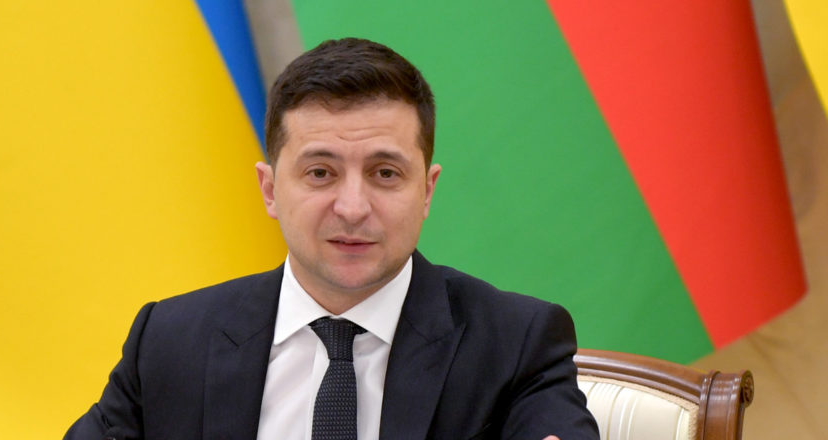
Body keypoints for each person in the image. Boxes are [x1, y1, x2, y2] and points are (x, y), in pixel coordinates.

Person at [64, 38, 598, 440]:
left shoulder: (517, 343)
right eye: (320, 173)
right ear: (270, 190)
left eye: (385, 173)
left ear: (426, 191)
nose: (352, 207)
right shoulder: (169, 340)